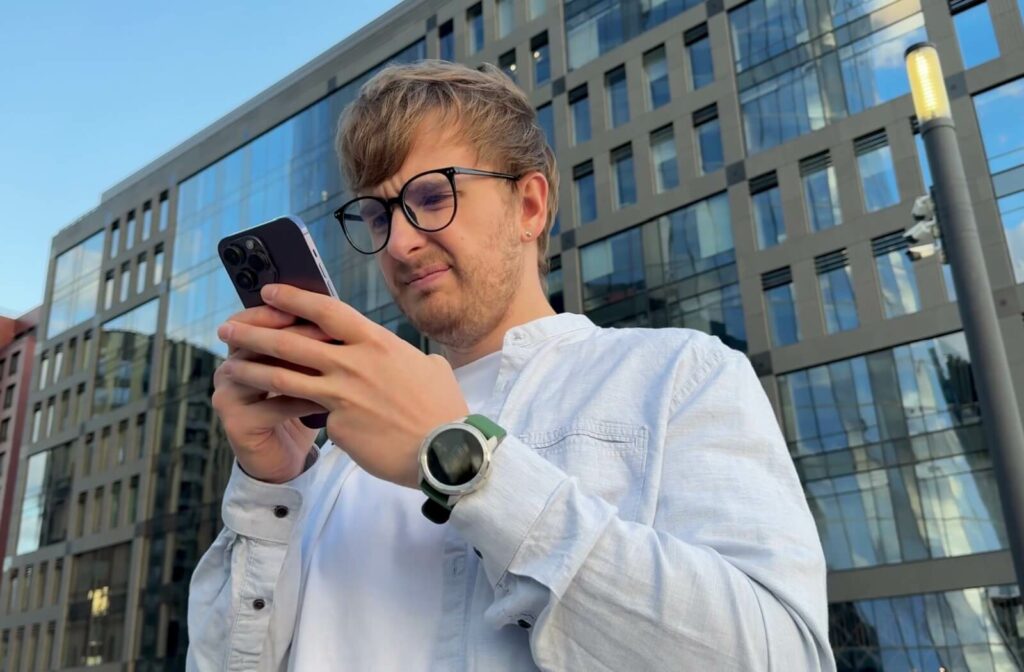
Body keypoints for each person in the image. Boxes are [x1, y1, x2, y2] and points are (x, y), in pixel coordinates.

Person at [186, 60, 835, 671]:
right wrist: (271, 486)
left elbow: (779, 655)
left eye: (433, 196)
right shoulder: (333, 461)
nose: (402, 241)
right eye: (378, 213)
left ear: (529, 205)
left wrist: (461, 463)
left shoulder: (676, 376)